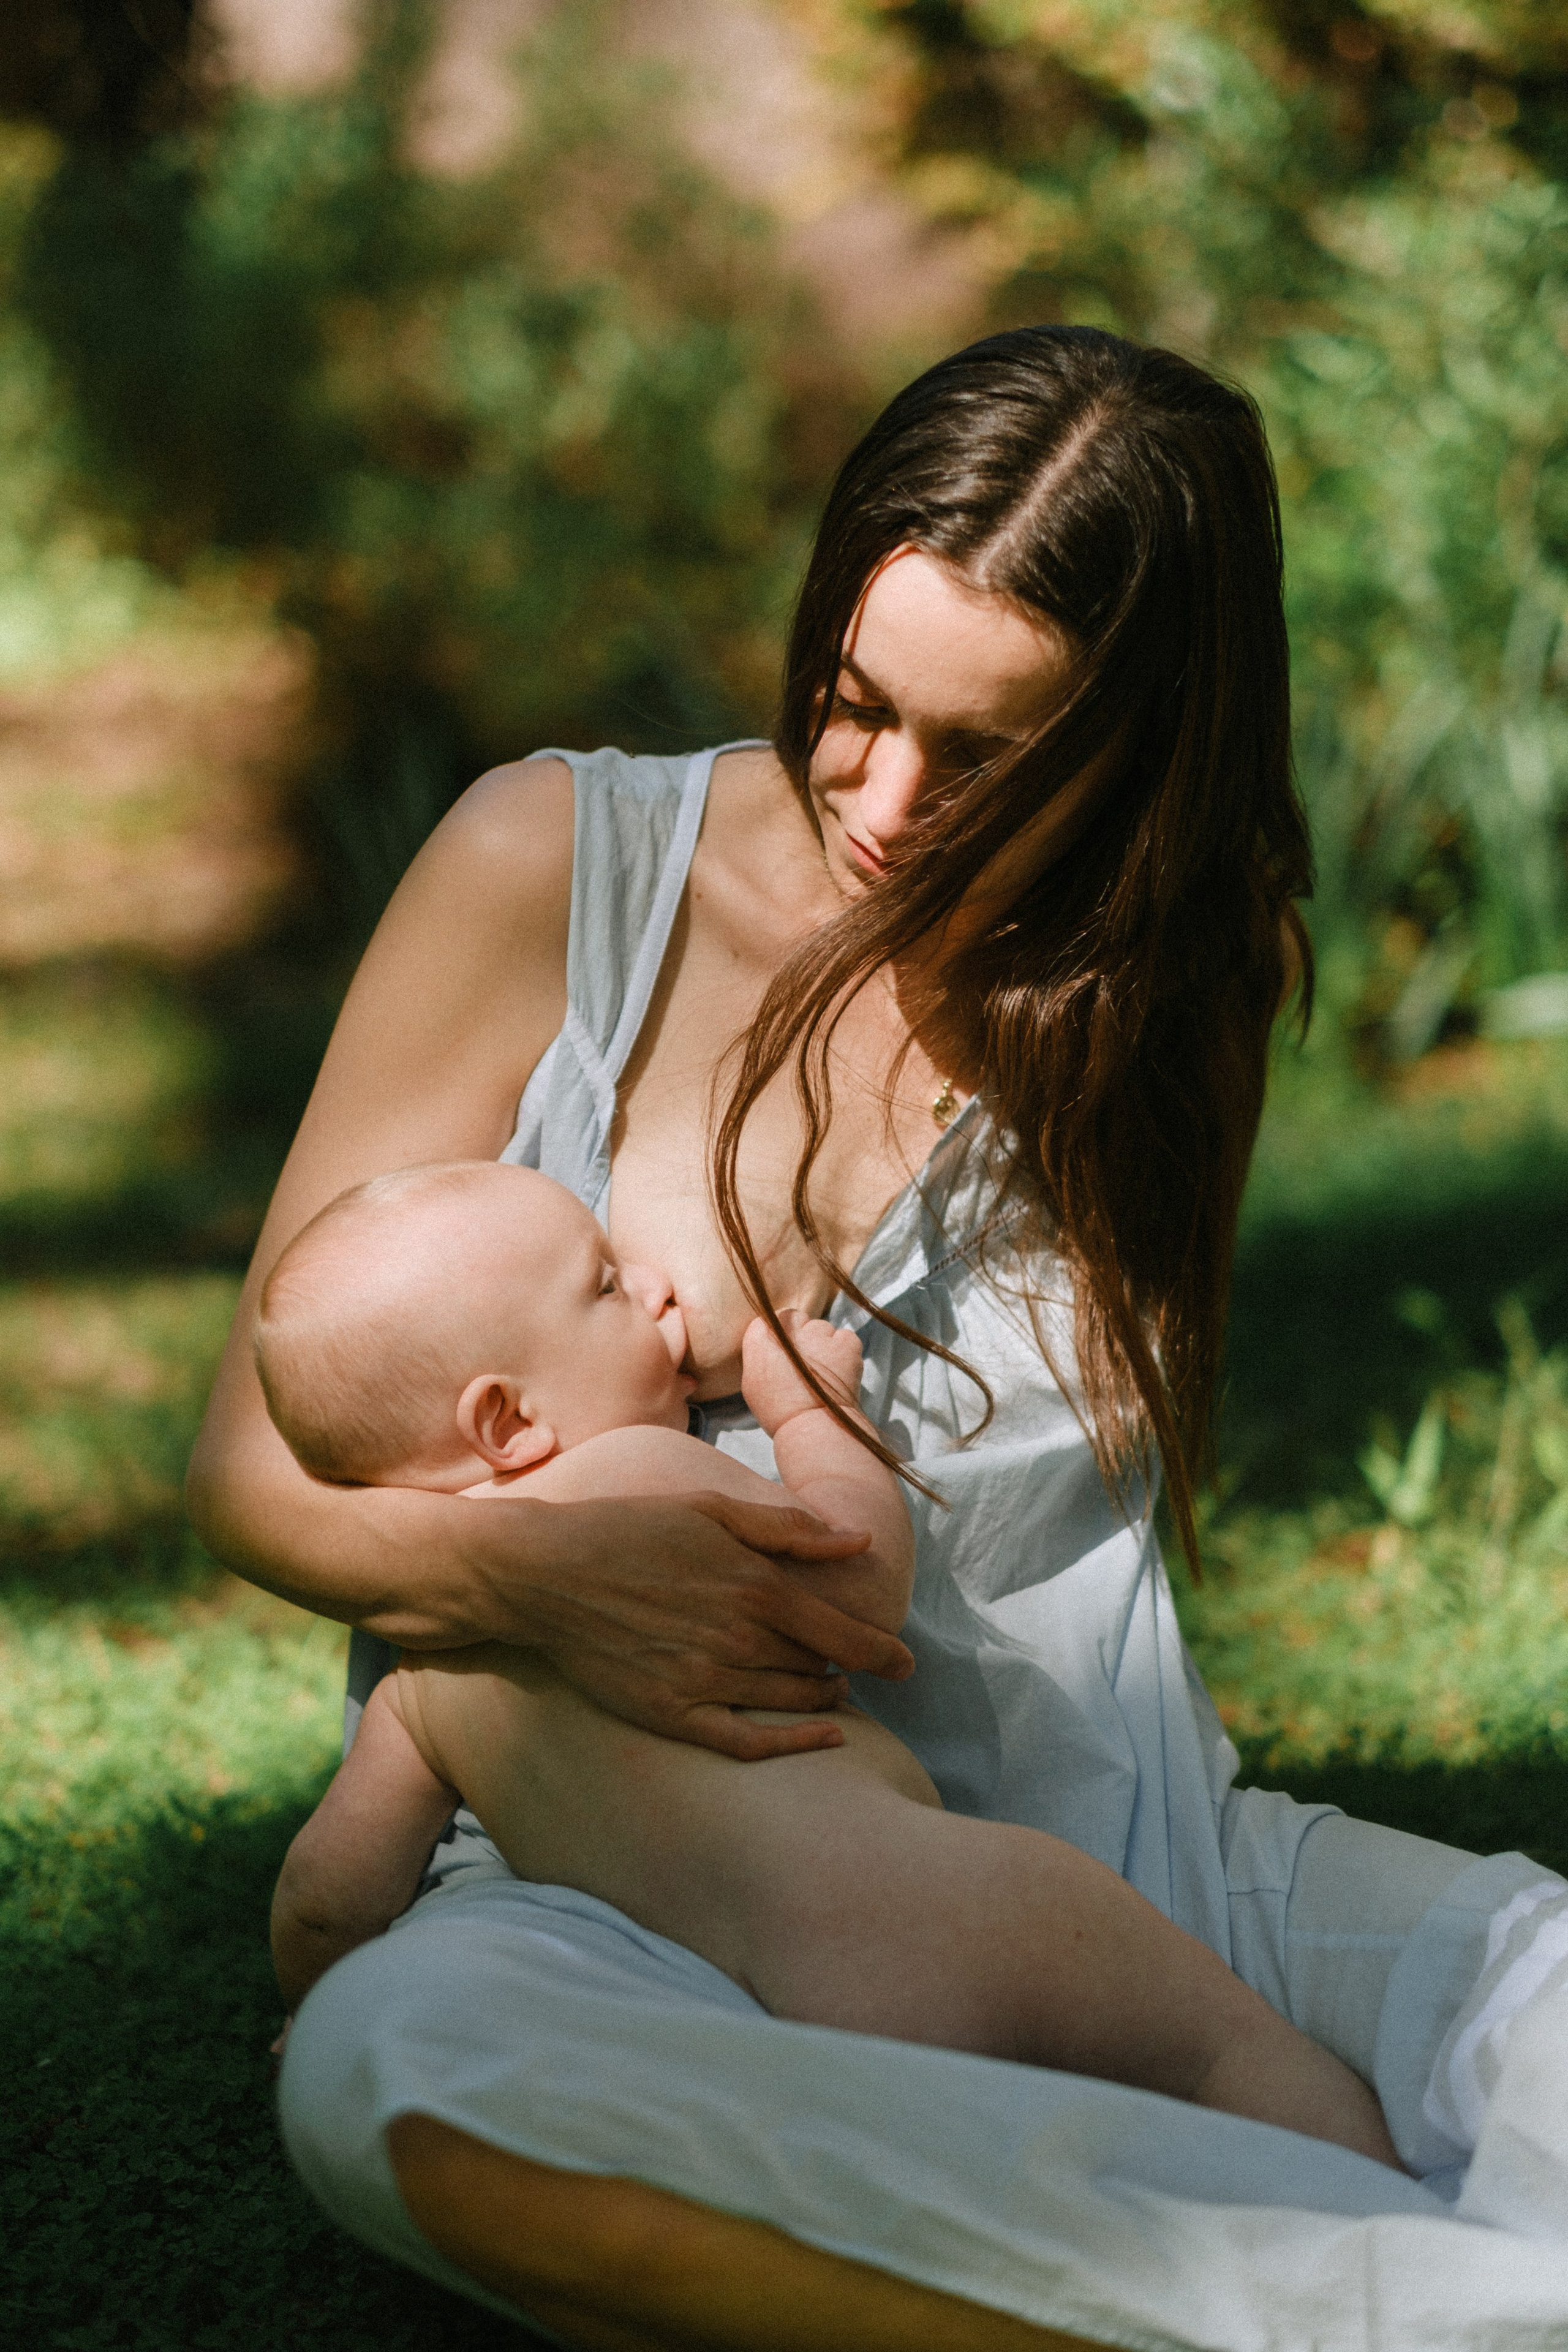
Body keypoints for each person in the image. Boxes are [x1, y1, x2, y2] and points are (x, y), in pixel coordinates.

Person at [187, 326, 1568, 2352]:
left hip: (1139, 1863)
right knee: (397, 2077)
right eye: (852, 706)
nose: (889, 803)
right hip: (618, 1897)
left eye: (989, 756)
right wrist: (542, 1579)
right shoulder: (557, 868)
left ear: (1139, 753)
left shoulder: (1159, 984)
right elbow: (248, 1465)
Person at [260, 1158, 1401, 2168]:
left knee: (998, 2205)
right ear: (508, 1422)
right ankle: (1395, 2220)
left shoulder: (422, 1689)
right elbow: (856, 1591)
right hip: (938, 1906)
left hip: (772, 2010)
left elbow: (327, 1896)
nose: (655, 1288)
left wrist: (317, 2005)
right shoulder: (632, 1487)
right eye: (606, 1285)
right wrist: (814, 1416)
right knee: (1219, 2055)